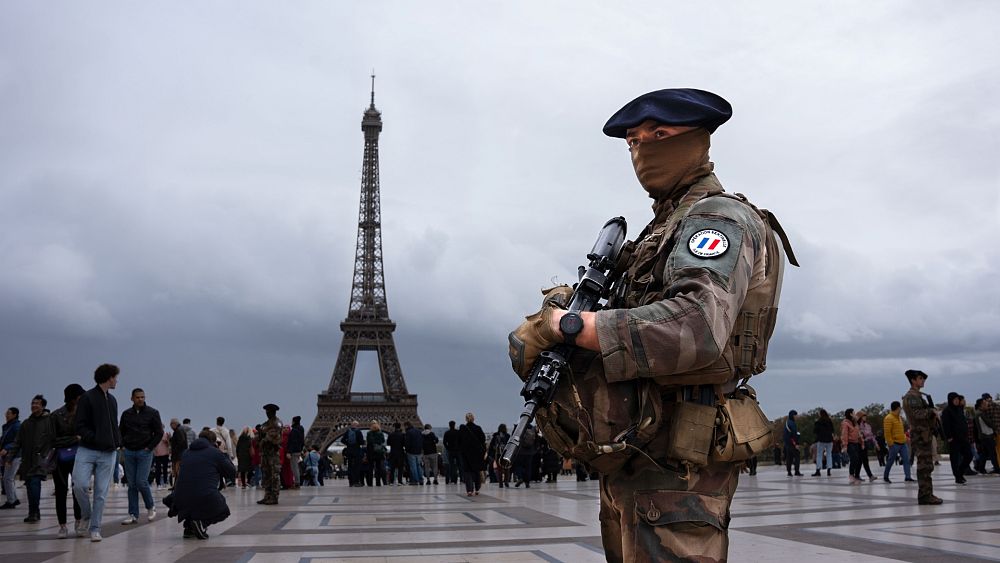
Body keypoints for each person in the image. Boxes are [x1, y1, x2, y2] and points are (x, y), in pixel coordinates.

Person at [507, 88, 794, 561]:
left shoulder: (717, 220)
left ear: (698, 140)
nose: (642, 150)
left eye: (658, 135)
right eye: (632, 142)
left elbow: (696, 326)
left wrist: (570, 326)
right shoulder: (662, 228)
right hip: (636, 452)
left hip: (678, 465)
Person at [73, 363, 123, 541]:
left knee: (101, 493)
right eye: (115, 377)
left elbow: (113, 425)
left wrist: (117, 442)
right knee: (79, 485)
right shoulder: (87, 397)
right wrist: (95, 438)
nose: (117, 380)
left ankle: (95, 528)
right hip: (87, 450)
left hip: (109, 453)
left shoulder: (112, 400)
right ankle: (86, 514)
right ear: (109, 378)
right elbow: (79, 425)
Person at [164, 429, 236, 540]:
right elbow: (232, 472)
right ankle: (202, 523)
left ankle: (189, 528)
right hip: (204, 495)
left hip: (179, 497)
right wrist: (222, 453)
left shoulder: (186, 453)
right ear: (213, 442)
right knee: (223, 511)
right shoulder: (215, 453)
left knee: (192, 500)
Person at [118, 387, 163, 525]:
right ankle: (133, 514)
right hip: (129, 451)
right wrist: (122, 445)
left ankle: (150, 507)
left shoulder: (152, 413)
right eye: (138, 397)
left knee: (141, 482)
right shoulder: (126, 414)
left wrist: (149, 447)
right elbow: (120, 431)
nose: (140, 399)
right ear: (132, 398)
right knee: (131, 484)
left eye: (142, 397)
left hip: (144, 452)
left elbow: (159, 432)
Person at [7, 395, 54, 524]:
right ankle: (34, 511)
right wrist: (10, 458)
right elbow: (17, 442)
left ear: (43, 406)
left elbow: (53, 440)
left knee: (34, 484)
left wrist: (47, 456)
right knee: (29, 486)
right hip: (27, 460)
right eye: (32, 403)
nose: (34, 406)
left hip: (41, 460)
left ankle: (33, 512)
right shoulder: (26, 423)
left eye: (37, 403)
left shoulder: (49, 421)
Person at [901, 370, 942, 505]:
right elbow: (918, 414)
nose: (923, 381)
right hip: (920, 434)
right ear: (913, 380)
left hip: (924, 433)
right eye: (920, 378)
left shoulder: (918, 396)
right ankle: (925, 495)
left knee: (927, 465)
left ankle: (927, 493)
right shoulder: (912, 397)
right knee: (924, 465)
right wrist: (931, 411)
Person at [51, 384, 85, 537]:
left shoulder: (84, 414)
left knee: (78, 489)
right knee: (61, 491)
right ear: (71, 397)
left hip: (79, 457)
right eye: (79, 396)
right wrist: (73, 439)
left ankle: (78, 521)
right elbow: (53, 440)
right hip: (60, 458)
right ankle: (63, 526)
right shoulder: (56, 415)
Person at [941, 392, 973, 485]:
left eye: (957, 399)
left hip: (963, 437)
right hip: (953, 439)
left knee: (969, 455)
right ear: (950, 400)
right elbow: (945, 425)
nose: (956, 401)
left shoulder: (959, 409)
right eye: (954, 399)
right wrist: (949, 437)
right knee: (954, 458)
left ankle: (960, 471)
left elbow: (963, 421)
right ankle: (957, 477)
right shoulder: (947, 411)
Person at [256, 403, 282, 505]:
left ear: (273, 412)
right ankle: (267, 495)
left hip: (273, 453)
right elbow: (261, 436)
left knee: (274, 475)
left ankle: (274, 496)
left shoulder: (277, 423)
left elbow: (273, 436)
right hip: (265, 453)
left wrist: (264, 438)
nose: (267, 413)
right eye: (266, 412)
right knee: (266, 475)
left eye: (269, 412)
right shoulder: (266, 424)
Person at [882, 401, 913, 483]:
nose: (901, 409)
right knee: (891, 460)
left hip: (903, 443)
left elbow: (901, 431)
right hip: (894, 444)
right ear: (898, 408)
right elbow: (887, 432)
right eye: (900, 408)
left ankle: (908, 477)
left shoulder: (899, 418)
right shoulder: (888, 418)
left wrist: (905, 438)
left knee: (906, 460)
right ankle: (886, 476)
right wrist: (890, 444)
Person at [458, 412, 486, 496]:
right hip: (477, 453)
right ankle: (477, 488)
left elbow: (459, 441)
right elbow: (483, 439)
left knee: (467, 472)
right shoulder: (478, 428)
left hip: (466, 453)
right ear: (473, 419)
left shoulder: (463, 429)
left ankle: (469, 490)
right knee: (477, 471)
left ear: (466, 419)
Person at [0, 407, 22, 510]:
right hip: (8, 456)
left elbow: (18, 441)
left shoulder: (17, 426)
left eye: (8, 413)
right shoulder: (6, 426)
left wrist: (6, 448)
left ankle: (11, 501)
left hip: (15, 455)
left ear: (14, 415)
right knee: (9, 478)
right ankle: (14, 499)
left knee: (7, 478)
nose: (6, 415)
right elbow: (3, 439)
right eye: (6, 413)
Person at [973, 398, 998, 474]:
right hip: (987, 436)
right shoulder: (980, 414)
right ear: (981, 406)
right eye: (985, 404)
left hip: (984, 436)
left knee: (984, 453)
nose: (987, 405)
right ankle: (997, 468)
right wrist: (995, 426)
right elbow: (989, 423)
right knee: (992, 453)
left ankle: (981, 468)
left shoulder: (978, 413)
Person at [340, 420, 366, 487]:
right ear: (357, 425)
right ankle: (356, 482)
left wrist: (348, 444)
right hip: (356, 450)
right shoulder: (358, 432)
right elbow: (361, 442)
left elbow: (342, 440)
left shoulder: (348, 431)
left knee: (350, 466)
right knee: (357, 466)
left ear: (352, 425)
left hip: (349, 450)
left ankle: (350, 482)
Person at [811, 409, 834, 476]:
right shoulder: (829, 421)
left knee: (819, 455)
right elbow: (832, 430)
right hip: (829, 440)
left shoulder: (819, 421)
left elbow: (815, 431)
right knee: (829, 455)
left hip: (821, 440)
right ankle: (829, 470)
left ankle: (818, 470)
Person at [488, 423, 511, 488]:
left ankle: (500, 483)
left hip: (498, 455)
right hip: (506, 455)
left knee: (499, 469)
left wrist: (490, 454)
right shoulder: (507, 436)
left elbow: (491, 446)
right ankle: (506, 481)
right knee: (506, 469)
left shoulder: (495, 436)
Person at [856, 411, 877, 482]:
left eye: (865, 416)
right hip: (859, 444)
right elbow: (860, 434)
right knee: (861, 460)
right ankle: (868, 475)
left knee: (863, 460)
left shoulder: (867, 425)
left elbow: (871, 435)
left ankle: (861, 475)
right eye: (863, 416)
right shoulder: (857, 426)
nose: (865, 417)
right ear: (860, 417)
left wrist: (875, 443)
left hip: (865, 444)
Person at [365, 420, 387, 487]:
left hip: (371, 452)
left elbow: (368, 443)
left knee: (370, 468)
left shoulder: (369, 433)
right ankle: (378, 483)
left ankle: (370, 483)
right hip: (379, 452)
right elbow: (383, 441)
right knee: (378, 468)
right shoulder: (380, 433)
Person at [286, 416, 305, 488]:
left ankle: (297, 483)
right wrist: (301, 449)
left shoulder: (294, 430)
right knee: (295, 467)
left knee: (294, 468)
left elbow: (292, 442)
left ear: (294, 421)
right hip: (298, 450)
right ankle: (297, 482)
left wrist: (289, 452)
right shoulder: (301, 429)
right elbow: (302, 441)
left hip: (294, 451)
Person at [168, 419, 188, 488]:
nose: (170, 427)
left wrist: (175, 450)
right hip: (179, 454)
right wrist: (170, 439)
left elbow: (181, 442)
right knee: (177, 471)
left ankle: (178, 485)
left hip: (178, 455)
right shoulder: (179, 430)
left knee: (177, 471)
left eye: (171, 425)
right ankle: (176, 485)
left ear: (174, 424)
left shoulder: (178, 430)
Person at [403, 421, 424, 485]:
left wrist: (407, 450)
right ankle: (421, 479)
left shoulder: (408, 432)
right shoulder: (418, 431)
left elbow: (407, 443)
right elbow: (421, 440)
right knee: (419, 466)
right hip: (419, 451)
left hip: (411, 452)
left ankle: (415, 480)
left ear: (406, 426)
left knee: (413, 467)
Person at [784, 410, 802, 477]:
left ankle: (789, 472)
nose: (797, 416)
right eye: (796, 415)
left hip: (787, 443)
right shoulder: (792, 423)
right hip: (793, 443)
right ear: (793, 415)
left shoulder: (787, 422)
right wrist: (797, 443)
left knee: (789, 458)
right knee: (797, 456)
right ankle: (797, 471)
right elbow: (794, 434)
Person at [443, 420, 461, 484]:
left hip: (451, 451)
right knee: (460, 465)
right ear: (454, 425)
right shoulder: (458, 432)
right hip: (458, 451)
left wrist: (448, 448)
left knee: (452, 466)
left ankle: (453, 479)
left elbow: (444, 442)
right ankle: (461, 479)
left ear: (449, 425)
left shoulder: (447, 433)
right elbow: (461, 441)